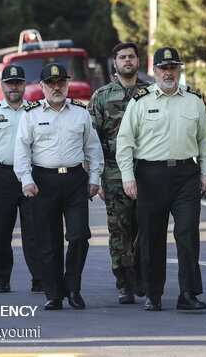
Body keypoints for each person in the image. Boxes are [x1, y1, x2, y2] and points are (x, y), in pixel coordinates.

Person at [116, 46, 206, 312]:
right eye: (164, 68)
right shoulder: (140, 101)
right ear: (155, 71)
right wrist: (128, 177)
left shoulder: (194, 100)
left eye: (173, 68)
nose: (169, 72)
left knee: (188, 235)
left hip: (186, 174)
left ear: (179, 70)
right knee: (151, 237)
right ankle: (153, 293)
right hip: (151, 175)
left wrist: (205, 171)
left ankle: (188, 293)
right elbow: (125, 142)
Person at [14, 63, 104, 311]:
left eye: (61, 83)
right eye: (51, 83)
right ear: (41, 87)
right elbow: (21, 150)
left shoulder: (80, 113)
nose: (57, 87)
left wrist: (94, 177)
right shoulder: (31, 114)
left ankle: (73, 288)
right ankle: (54, 294)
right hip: (43, 181)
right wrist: (26, 179)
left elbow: (93, 148)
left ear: (67, 85)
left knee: (79, 236)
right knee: (48, 240)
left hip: (75, 180)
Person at [88, 42, 150, 304]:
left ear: (138, 61)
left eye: (131, 57)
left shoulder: (150, 93)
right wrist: (98, 178)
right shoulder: (102, 96)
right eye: (122, 57)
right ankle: (124, 280)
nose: (127, 61)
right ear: (114, 63)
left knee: (146, 226)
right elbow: (92, 141)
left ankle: (142, 274)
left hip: (146, 170)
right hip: (113, 172)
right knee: (119, 228)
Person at [0, 65, 42, 293]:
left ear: (24, 84)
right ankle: (1, 278)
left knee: (35, 230)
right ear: (2, 86)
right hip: (1, 176)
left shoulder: (35, 111)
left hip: (31, 175)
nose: (14, 87)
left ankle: (40, 278)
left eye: (17, 82)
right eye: (9, 83)